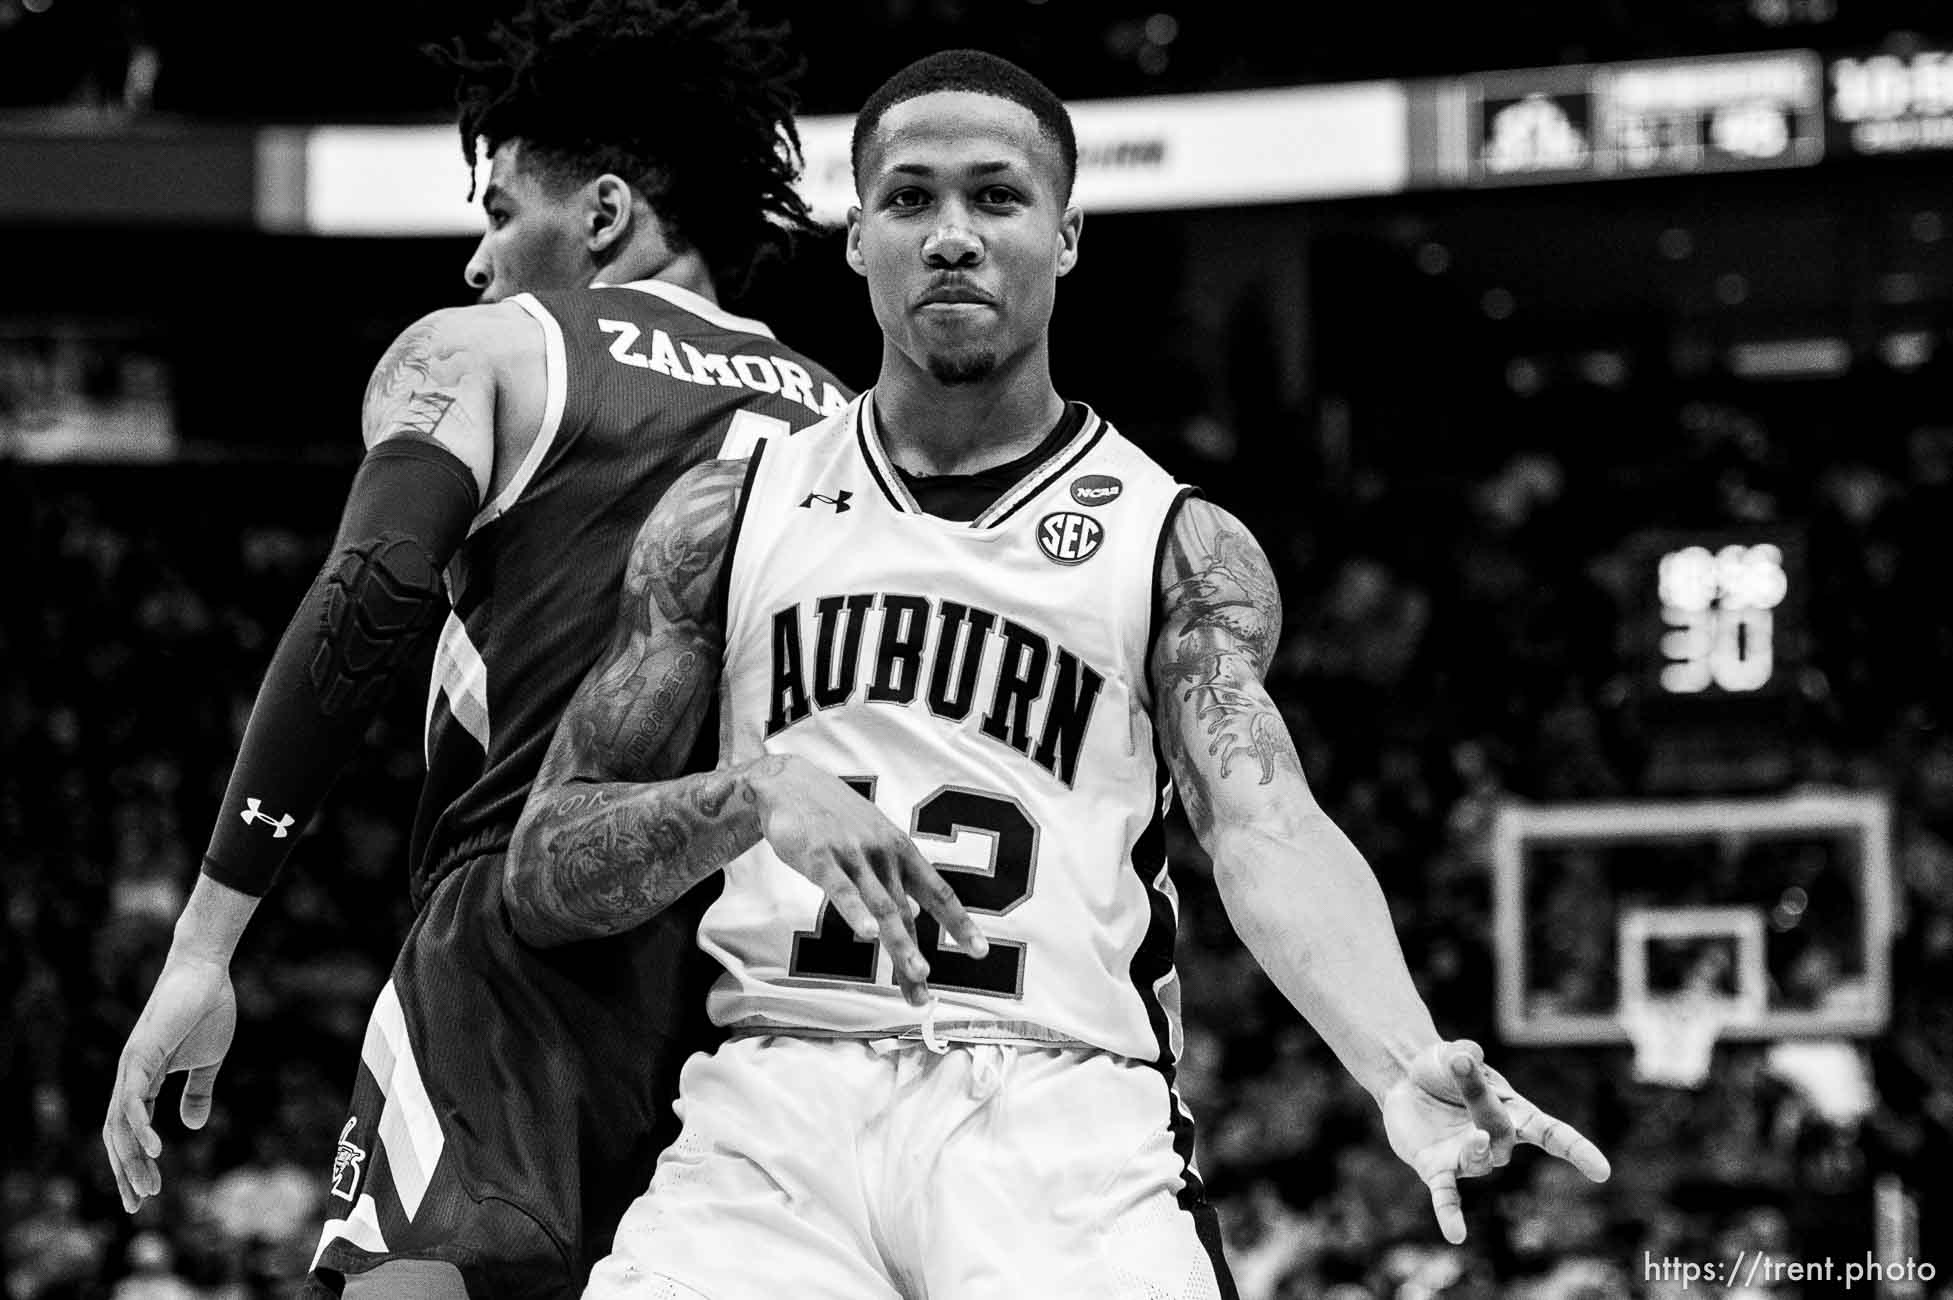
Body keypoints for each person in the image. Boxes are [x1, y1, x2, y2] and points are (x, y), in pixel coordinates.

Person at [505, 49, 1613, 1298]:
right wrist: (746, 797)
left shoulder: (1176, 544)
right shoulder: (723, 516)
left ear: (1068, 234)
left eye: (996, 197)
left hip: (1060, 1116)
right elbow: (547, 868)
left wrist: (1396, 1053)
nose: (952, 237)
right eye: (910, 200)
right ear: (857, 236)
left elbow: (1264, 823)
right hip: (773, 1104)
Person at [97, 3, 907, 1295]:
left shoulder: (488, 348)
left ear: (598, 216)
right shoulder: (862, 427)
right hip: (774, 966)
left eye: (493, 211)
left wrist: (205, 945)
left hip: (527, 927)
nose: (477, 260)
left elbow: (371, 596)